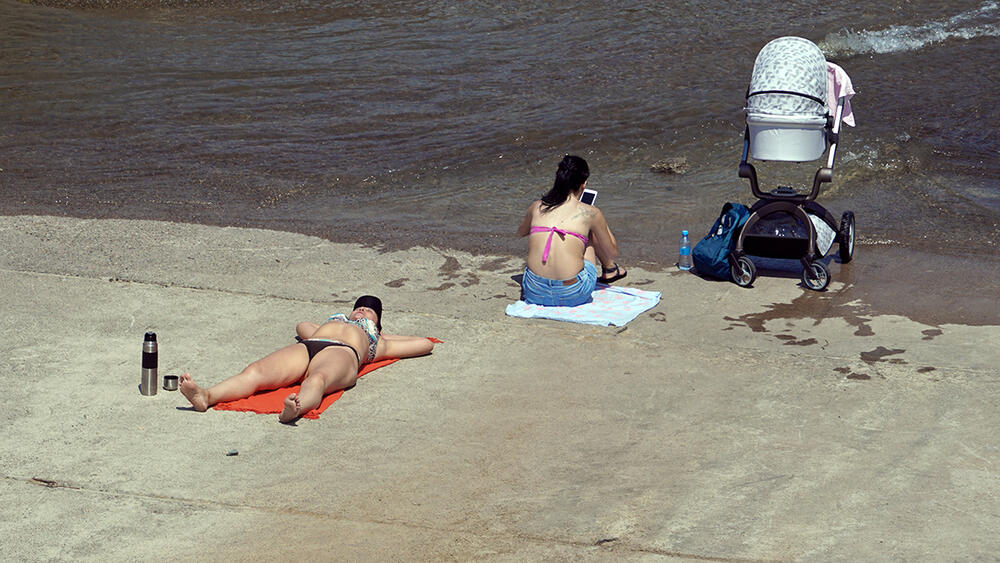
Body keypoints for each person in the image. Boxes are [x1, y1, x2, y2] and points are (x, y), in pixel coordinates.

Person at [179, 295, 434, 423]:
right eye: (359, 307)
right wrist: (330, 326)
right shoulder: (337, 321)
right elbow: (302, 326)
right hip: (311, 345)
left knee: (317, 379)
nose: (362, 310)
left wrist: (380, 334)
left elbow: (424, 343)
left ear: (378, 322)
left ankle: (296, 409)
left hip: (344, 353)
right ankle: (206, 396)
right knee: (256, 371)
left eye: (369, 311)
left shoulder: (377, 342)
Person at [516, 155, 626, 307]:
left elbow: (521, 232)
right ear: (583, 184)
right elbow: (612, 252)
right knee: (586, 235)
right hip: (573, 293)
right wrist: (598, 220)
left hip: (535, 292)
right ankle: (610, 269)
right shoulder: (591, 213)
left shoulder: (537, 206)